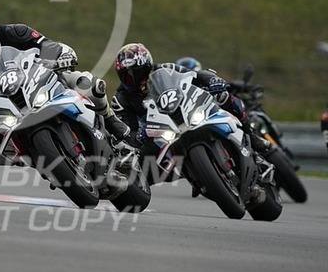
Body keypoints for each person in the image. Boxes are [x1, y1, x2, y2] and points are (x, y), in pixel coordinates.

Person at [0, 6, 131, 166]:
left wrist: (60, 58)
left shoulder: (15, 32)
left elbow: (48, 46)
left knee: (89, 83)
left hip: (42, 79)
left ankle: (109, 118)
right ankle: (31, 158)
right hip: (13, 110)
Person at [111, 43, 272, 185]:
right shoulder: (121, 99)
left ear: (146, 66)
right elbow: (126, 131)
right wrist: (138, 136)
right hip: (157, 134)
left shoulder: (165, 69)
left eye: (136, 73)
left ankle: (252, 136)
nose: (132, 80)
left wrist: (213, 80)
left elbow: (195, 75)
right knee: (141, 164)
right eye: (126, 76)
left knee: (225, 97)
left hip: (186, 112)